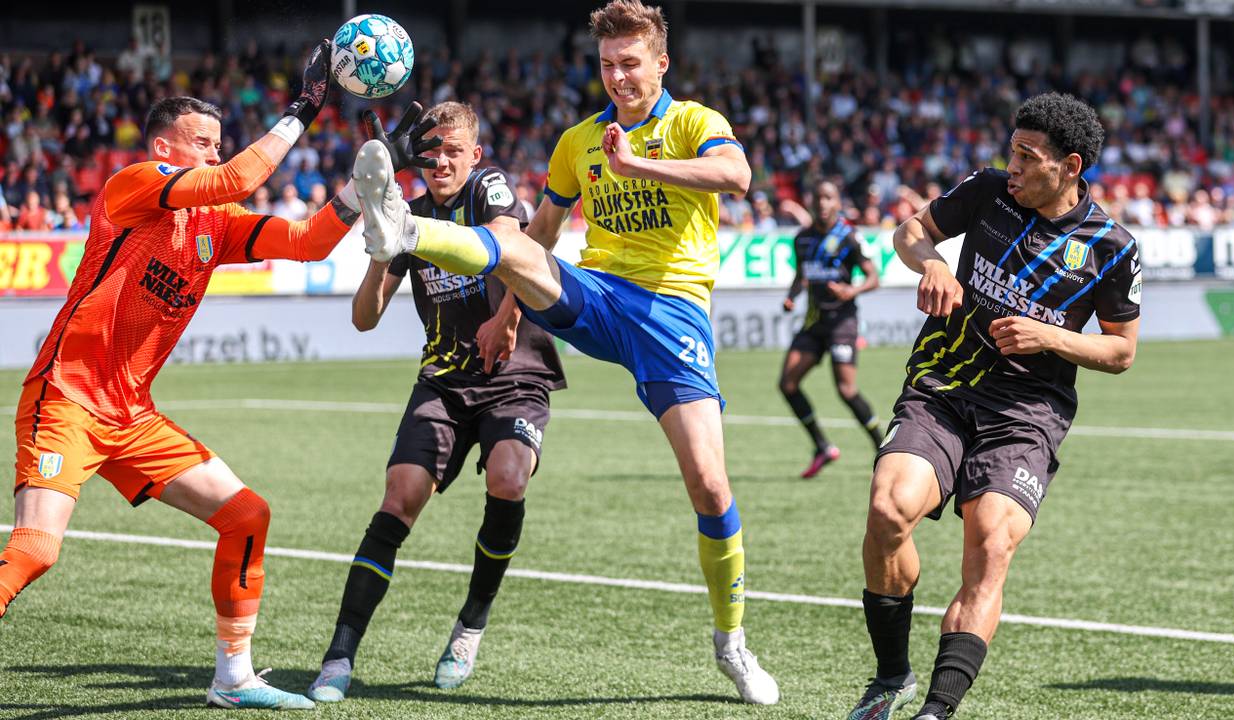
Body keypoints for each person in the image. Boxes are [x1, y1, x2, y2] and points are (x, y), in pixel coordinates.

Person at [350, 0, 778, 705]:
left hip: (674, 317)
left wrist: (641, 166)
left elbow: (737, 178)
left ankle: (731, 642)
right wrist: (510, 313)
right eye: (607, 65)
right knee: (513, 238)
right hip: (599, 296)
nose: (617, 77)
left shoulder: (695, 123)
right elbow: (539, 234)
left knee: (709, 484)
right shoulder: (580, 140)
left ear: (660, 63)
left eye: (630, 63)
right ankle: (404, 232)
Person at [2, 41, 354, 711]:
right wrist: (306, 106)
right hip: (68, 401)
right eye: (204, 142)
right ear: (166, 148)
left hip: (131, 416)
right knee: (37, 552)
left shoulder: (214, 226)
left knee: (247, 515)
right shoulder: (133, 185)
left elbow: (308, 244)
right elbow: (234, 180)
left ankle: (233, 677)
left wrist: (366, 186)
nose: (217, 154)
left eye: (221, 143)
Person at [846, 93, 1140, 720]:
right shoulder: (986, 191)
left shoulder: (1112, 247)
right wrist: (933, 266)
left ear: (1071, 165)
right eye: (1012, 149)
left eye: (1027, 157)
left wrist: (1049, 337)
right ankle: (890, 675)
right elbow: (911, 231)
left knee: (990, 542)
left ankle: (935, 710)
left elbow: (1120, 352)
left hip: (1027, 412)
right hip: (943, 385)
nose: (1012, 164)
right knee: (887, 509)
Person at [308, 101, 566, 701]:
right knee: (399, 497)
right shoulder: (409, 217)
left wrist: (506, 318)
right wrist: (380, 240)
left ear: (475, 156)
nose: (443, 161)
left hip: (514, 371)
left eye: (455, 150)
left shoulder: (490, 192)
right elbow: (364, 319)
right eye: (434, 152)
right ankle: (339, 656)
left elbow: (515, 248)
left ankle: (470, 624)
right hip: (446, 379)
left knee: (508, 476)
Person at [779, 179, 882, 479]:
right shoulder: (802, 239)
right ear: (811, 202)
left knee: (846, 390)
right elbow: (801, 275)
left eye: (828, 198)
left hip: (842, 323)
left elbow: (874, 277)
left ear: (837, 203)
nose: (823, 203)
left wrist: (852, 291)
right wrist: (791, 296)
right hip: (813, 322)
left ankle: (883, 447)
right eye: (818, 197)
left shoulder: (849, 237)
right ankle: (822, 446)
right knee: (788, 383)